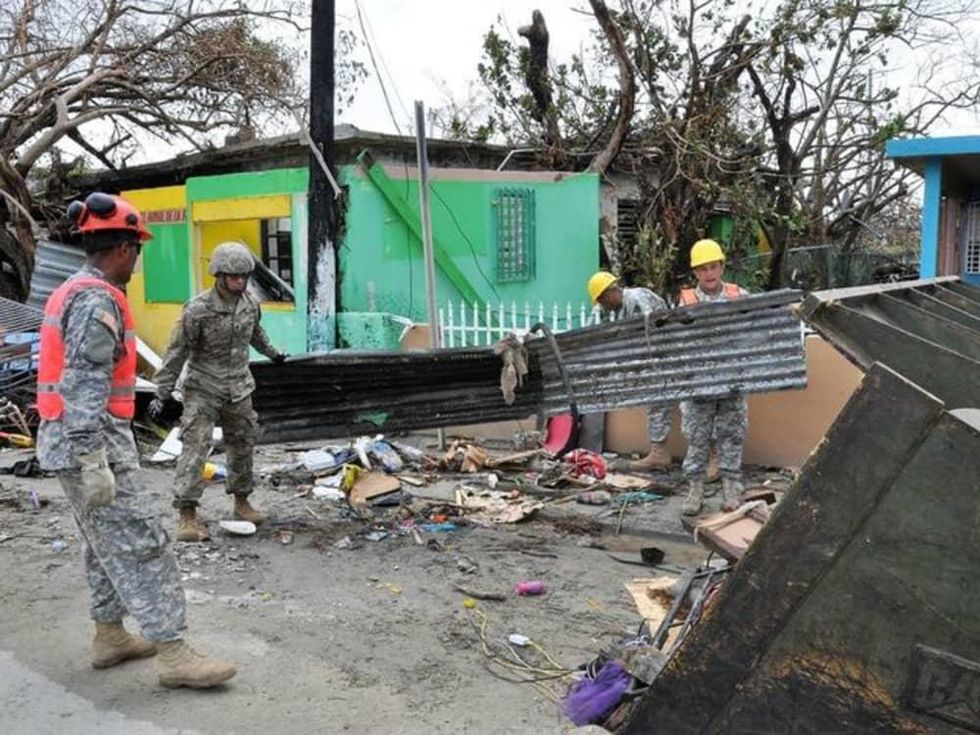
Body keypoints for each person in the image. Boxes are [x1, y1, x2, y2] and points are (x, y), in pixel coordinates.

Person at [36, 192, 236, 688]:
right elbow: (83, 379)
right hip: (91, 438)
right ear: (125, 249)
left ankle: (111, 635)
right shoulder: (97, 298)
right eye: (137, 251)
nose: (136, 263)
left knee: (101, 540)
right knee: (144, 539)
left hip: (71, 436)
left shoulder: (71, 288)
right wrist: (92, 457)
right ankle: (174, 652)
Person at [150, 241, 287, 542]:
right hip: (203, 388)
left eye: (244, 277)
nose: (240, 282)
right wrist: (162, 393)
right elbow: (176, 351)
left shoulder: (250, 304)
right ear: (220, 276)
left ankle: (241, 502)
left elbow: (256, 334)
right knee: (196, 449)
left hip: (239, 387)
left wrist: (274, 353)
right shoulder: (198, 310)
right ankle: (187, 514)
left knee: (243, 444)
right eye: (234, 276)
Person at [676, 239, 750, 516]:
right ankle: (695, 489)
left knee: (732, 436)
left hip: (731, 382)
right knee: (697, 438)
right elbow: (675, 343)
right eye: (702, 269)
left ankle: (731, 487)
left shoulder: (738, 295)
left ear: (721, 267)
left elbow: (756, 329)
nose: (708, 273)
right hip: (698, 385)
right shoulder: (685, 301)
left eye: (713, 267)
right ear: (695, 272)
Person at [587, 271, 675, 470]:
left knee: (661, 400)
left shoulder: (636, 300)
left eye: (602, 302)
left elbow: (646, 334)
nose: (603, 306)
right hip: (656, 359)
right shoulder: (622, 308)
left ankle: (660, 453)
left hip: (665, 356)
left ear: (607, 295)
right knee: (656, 401)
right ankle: (659, 451)